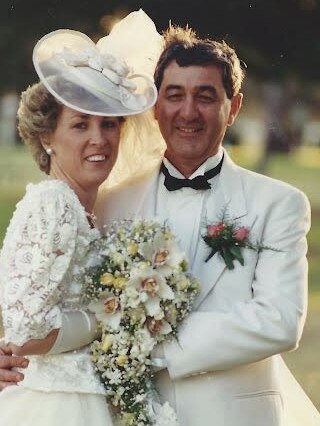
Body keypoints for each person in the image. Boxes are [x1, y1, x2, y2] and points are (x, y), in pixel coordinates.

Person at [1, 12, 320, 426]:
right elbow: (32, 288)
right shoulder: (107, 203)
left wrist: (146, 341)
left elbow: (278, 321)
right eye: (173, 95)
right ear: (155, 107)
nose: (188, 112)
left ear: (233, 107)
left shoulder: (279, 203)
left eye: (205, 96)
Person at [0, 12, 161, 426]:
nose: (99, 138)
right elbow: (27, 330)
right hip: (57, 406)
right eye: (80, 124)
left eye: (109, 125)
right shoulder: (53, 204)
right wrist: (111, 315)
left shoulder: (87, 207)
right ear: (47, 137)